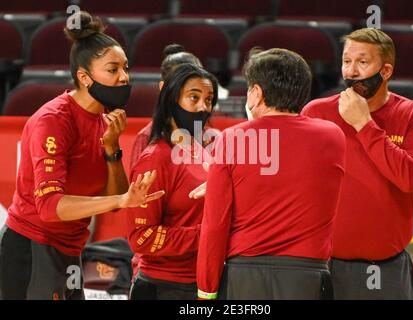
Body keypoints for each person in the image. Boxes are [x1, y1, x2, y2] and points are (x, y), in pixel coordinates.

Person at [0, 11, 163, 300]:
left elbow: (114, 202)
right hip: (32, 248)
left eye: (126, 68)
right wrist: (121, 200)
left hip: (71, 250)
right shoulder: (54, 120)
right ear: (84, 77)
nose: (124, 77)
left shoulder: (103, 122)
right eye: (113, 70)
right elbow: (50, 207)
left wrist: (113, 151)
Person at [196, 48, 346, 300]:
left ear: (256, 93)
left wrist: (206, 291)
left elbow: (214, 225)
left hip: (244, 275)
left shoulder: (232, 138)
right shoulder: (333, 136)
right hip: (307, 277)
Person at [301, 28, 413, 299]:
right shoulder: (316, 112)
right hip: (324, 264)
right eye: (346, 61)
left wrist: (364, 124)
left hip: (386, 268)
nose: (352, 71)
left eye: (362, 62)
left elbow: (409, 177)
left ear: (385, 71)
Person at [126, 63, 219, 300]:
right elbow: (141, 237)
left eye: (208, 100)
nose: (203, 107)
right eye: (193, 97)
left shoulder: (200, 149)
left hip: (203, 282)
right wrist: (206, 235)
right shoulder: (155, 159)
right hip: (163, 286)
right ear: (170, 100)